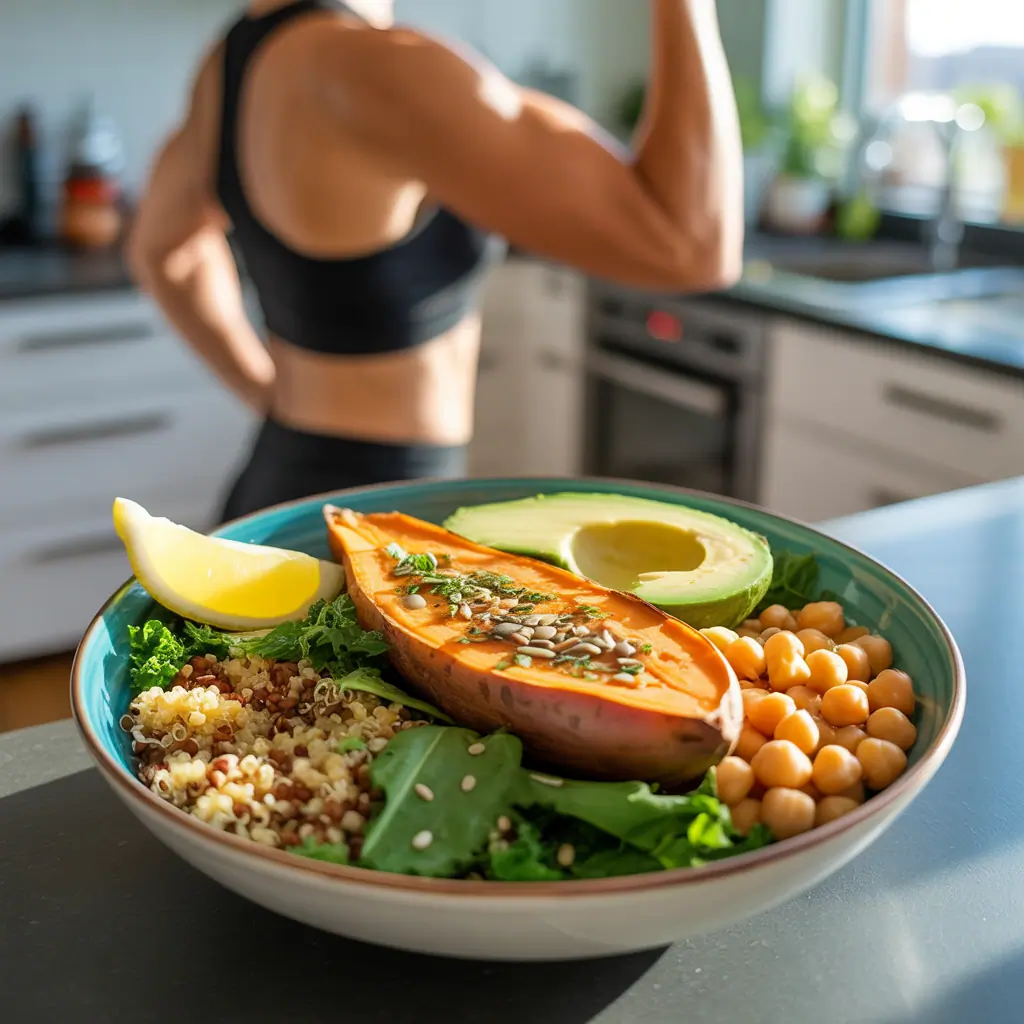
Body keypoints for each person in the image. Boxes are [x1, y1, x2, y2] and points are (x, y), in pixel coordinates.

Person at [127, 0, 744, 521]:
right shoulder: (380, 70)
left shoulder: (236, 57)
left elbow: (162, 249)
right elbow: (694, 245)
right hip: (372, 517)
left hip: (280, 485)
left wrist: (265, 390)